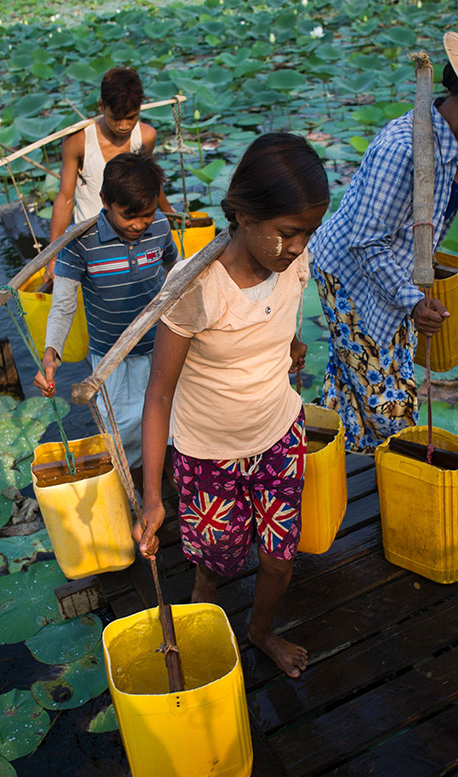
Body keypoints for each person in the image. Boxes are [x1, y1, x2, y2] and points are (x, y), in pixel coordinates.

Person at [136, 133, 330, 679]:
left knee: (279, 557)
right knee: (213, 567)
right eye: (288, 233)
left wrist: (290, 342)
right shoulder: (194, 287)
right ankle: (205, 625)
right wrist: (153, 496)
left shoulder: (294, 259)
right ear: (243, 215)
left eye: (307, 233)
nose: (297, 247)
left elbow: (282, 308)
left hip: (277, 436)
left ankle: (261, 632)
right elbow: (158, 394)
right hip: (207, 457)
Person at [308, 32, 458, 452]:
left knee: (354, 383)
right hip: (350, 276)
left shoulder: (454, 147)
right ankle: (387, 469)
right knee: (388, 404)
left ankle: (342, 460)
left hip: (391, 272)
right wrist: (412, 300)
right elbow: (364, 240)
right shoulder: (404, 149)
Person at [33, 151, 178, 470]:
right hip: (113, 360)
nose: (139, 225)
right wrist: (50, 354)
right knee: (125, 436)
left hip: (162, 348)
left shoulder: (161, 227)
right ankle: (140, 494)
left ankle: (169, 486)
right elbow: (63, 306)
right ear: (104, 201)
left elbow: (175, 272)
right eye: (129, 216)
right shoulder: (80, 244)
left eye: (148, 214)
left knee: (174, 427)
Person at [46, 66, 176, 254]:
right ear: (101, 106)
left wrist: (170, 214)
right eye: (116, 118)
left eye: (131, 117)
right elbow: (65, 198)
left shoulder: (146, 136)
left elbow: (150, 185)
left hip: (135, 235)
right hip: (91, 242)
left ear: (140, 107)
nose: (124, 126)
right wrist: (52, 256)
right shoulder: (79, 140)